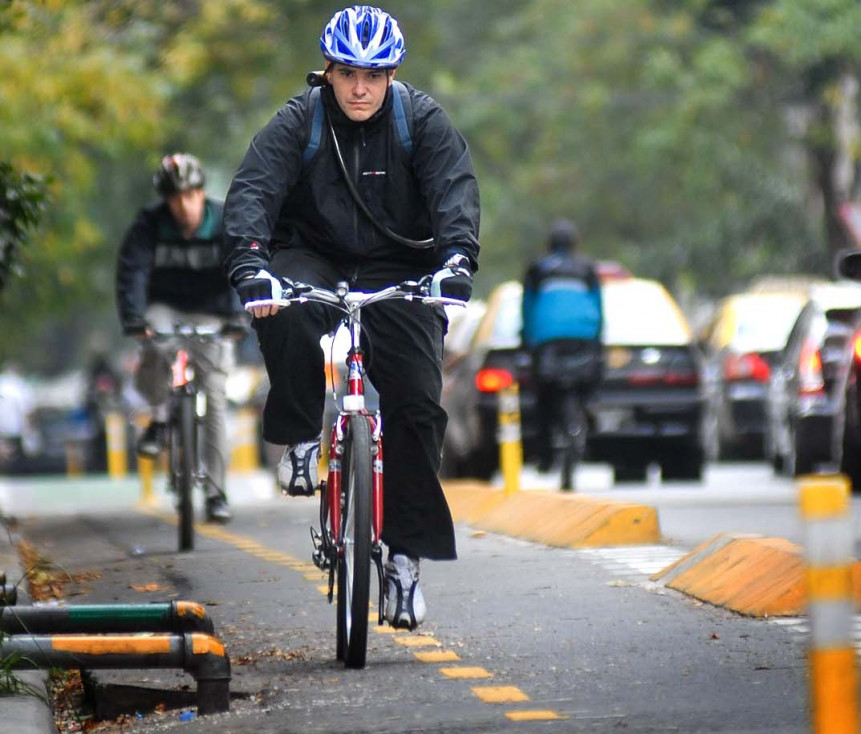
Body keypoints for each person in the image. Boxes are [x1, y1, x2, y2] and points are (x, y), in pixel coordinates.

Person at [222, 5, 479, 630]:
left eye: (374, 74)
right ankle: (303, 433)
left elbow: (455, 191)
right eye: (347, 73)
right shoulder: (298, 122)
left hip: (401, 264)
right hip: (312, 255)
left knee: (419, 406)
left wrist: (455, 262)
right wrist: (252, 266)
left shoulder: (422, 122)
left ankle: (405, 561)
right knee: (281, 313)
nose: (360, 88)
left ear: (391, 75)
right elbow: (253, 190)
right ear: (328, 73)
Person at [116, 153, 245, 524]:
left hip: (214, 312)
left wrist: (238, 316)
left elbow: (241, 266)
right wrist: (134, 317)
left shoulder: (224, 222)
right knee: (155, 345)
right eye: (174, 199)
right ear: (165, 201)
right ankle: (158, 413)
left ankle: (217, 492)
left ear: (202, 193)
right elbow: (134, 270)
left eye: (190, 196)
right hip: (165, 307)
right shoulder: (149, 225)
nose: (183, 206)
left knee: (216, 398)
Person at [521, 220, 604, 473]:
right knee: (589, 379)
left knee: (544, 395)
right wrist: (597, 337)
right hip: (583, 335)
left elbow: (527, 307)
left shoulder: (537, 268)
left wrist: (527, 340)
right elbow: (598, 307)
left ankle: (545, 457)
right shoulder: (587, 268)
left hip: (548, 339)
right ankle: (590, 407)